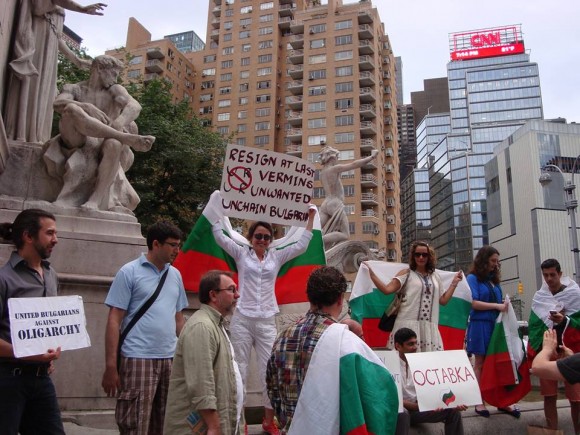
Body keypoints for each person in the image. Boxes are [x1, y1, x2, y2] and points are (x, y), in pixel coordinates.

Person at [212, 206, 316, 434]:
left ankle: (269, 420)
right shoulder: (241, 253)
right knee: (239, 369)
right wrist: (216, 208)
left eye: (266, 237)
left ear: (271, 240)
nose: (262, 240)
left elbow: (301, 245)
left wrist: (310, 219)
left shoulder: (276, 256)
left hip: (266, 320)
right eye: (258, 236)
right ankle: (240, 420)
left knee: (269, 370)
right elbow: (219, 236)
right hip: (242, 318)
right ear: (251, 237)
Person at [267, 266, 398, 434]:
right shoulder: (347, 343)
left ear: (309, 296)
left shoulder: (281, 337)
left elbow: (273, 391)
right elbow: (379, 395)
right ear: (340, 299)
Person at [101, 221, 188, 435]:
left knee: (166, 423)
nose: (177, 250)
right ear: (156, 244)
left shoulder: (175, 275)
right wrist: (111, 366)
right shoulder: (129, 272)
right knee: (135, 423)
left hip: (170, 358)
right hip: (137, 357)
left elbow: (179, 319)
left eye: (178, 245)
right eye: (173, 245)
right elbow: (114, 320)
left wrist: (187, 355)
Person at [44, 54, 155, 212]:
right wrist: (85, 106)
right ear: (99, 68)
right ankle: (124, 137)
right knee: (72, 108)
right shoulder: (74, 88)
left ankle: (95, 200)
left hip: (103, 141)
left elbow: (135, 106)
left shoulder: (115, 90)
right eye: (113, 74)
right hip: (78, 138)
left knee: (114, 144)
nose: (115, 79)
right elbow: (58, 104)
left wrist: (119, 122)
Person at [4, 0, 106, 143]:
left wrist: (76, 59)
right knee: (33, 87)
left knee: (44, 93)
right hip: (38, 44)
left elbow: (56, 35)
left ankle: (35, 135)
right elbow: (38, 8)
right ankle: (23, 134)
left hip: (49, 53)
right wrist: (81, 9)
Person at [0, 209, 63, 434]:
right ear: (28, 236)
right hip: (8, 379)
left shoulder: (51, 275)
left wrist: (47, 352)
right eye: (50, 233)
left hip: (42, 378)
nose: (55, 239)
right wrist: (26, 353)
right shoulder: (4, 278)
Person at [164, 270, 243, 434]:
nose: (237, 295)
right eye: (231, 289)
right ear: (213, 295)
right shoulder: (202, 327)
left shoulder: (216, 325)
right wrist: (214, 426)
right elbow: (201, 383)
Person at [365, 241, 463, 351]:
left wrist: (454, 283)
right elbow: (387, 290)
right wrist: (372, 275)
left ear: (429, 257)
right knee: (404, 359)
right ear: (413, 256)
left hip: (429, 328)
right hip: (407, 324)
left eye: (424, 255)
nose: (421, 257)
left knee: (428, 359)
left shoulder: (435, 277)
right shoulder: (406, 273)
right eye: (417, 254)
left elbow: (443, 301)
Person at [465, 245, 519, 418]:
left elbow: (495, 302)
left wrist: (502, 304)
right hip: (480, 324)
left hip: (495, 324)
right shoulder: (472, 278)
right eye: (493, 261)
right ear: (484, 260)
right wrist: (497, 305)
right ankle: (478, 401)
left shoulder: (493, 281)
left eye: (497, 261)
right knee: (480, 363)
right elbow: (473, 303)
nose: (496, 264)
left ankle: (501, 400)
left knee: (498, 362)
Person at [528, 259, 580, 432]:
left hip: (570, 351)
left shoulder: (574, 294)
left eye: (552, 275)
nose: (549, 279)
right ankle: (551, 431)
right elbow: (534, 326)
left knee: (576, 399)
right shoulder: (540, 297)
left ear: (560, 274)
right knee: (549, 397)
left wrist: (565, 320)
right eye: (546, 275)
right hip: (547, 352)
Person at [394, 327, 466, 435]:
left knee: (453, 412)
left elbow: (435, 389)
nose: (415, 347)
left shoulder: (422, 363)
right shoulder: (389, 364)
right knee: (402, 413)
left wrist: (453, 402)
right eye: (410, 344)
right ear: (398, 346)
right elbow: (389, 397)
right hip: (399, 412)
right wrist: (415, 406)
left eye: (416, 343)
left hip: (419, 410)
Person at [319, 145, 378, 248]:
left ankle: (315, 242)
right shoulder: (334, 169)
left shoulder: (322, 173)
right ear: (332, 157)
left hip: (325, 204)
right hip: (335, 203)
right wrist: (371, 157)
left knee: (316, 230)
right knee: (345, 234)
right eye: (337, 157)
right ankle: (319, 240)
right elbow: (354, 164)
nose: (337, 159)